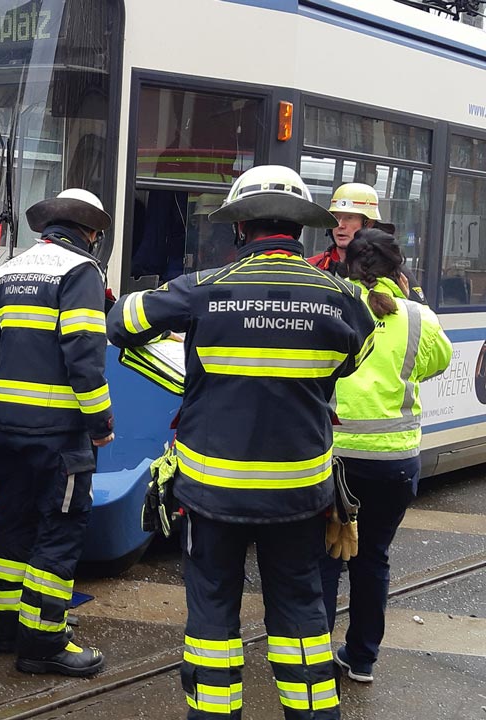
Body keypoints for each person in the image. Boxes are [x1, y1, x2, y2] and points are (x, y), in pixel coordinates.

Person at [107, 165, 375, 720]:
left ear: (239, 230)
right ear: (300, 231)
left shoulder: (204, 288)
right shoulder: (341, 296)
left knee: (211, 612)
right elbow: (354, 358)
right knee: (302, 612)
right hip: (299, 494)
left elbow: (122, 323)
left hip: (212, 492)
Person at [0, 188, 114, 677]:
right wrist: (100, 423)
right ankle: (44, 643)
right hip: (60, 437)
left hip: (8, 432)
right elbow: (83, 353)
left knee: (13, 527)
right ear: (90, 234)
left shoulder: (9, 270)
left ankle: (9, 631)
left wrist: (2, 405)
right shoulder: (81, 272)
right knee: (59, 532)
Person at [319, 229, 451, 684]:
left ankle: (312, 654)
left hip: (333, 460)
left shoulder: (331, 304)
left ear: (346, 262)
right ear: (399, 269)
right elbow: (438, 363)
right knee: (372, 556)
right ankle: (361, 659)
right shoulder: (418, 317)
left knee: (325, 556)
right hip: (394, 463)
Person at [309, 183, 425, 302]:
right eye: (336, 217)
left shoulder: (392, 269)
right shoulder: (314, 266)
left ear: (368, 223)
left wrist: (404, 299)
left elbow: (420, 313)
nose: (340, 225)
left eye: (349, 217)